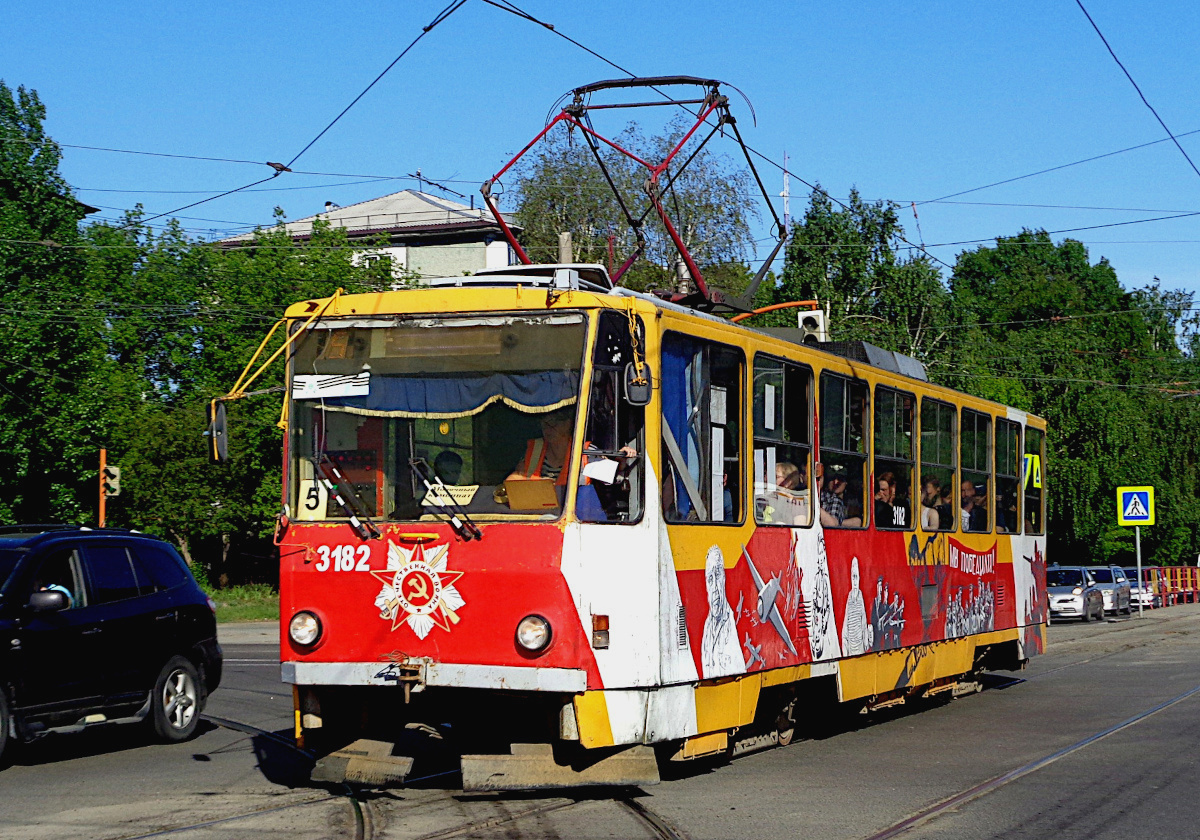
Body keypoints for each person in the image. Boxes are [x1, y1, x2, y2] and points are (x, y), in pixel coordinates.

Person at [818, 463, 847, 527]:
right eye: (832, 478)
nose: (836, 482)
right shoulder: (833, 499)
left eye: (840, 479)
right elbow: (832, 527)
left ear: (846, 482)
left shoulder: (851, 501)